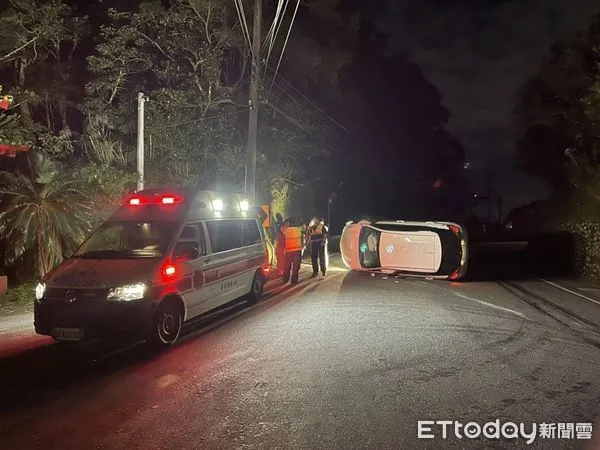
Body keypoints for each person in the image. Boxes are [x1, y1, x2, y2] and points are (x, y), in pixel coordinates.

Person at [282, 218, 303, 284]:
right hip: (297, 250)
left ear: (289, 223)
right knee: (295, 266)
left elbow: (281, 233)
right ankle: (294, 280)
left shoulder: (286, 230)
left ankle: (285, 280)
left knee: (287, 266)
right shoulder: (299, 230)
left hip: (288, 250)